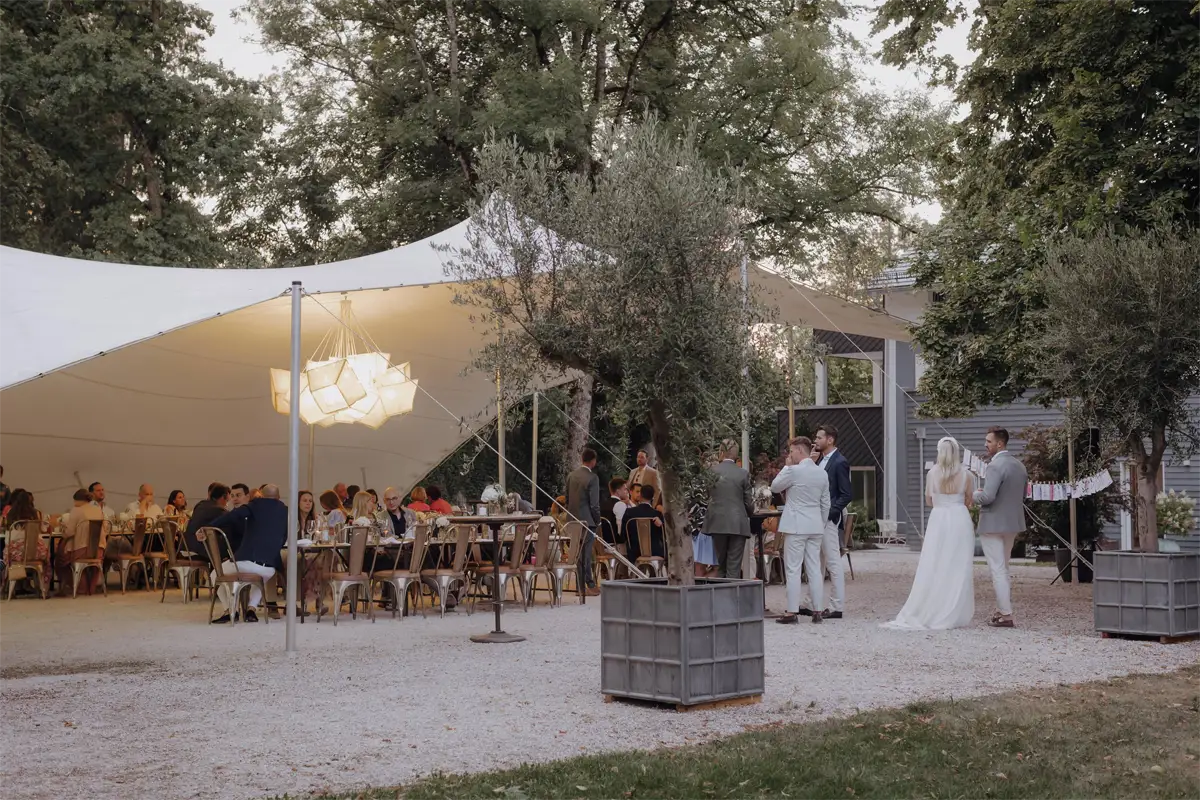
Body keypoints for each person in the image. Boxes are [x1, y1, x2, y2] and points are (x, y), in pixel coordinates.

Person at [884, 437, 977, 630]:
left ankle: (932, 604)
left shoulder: (932, 473)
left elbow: (929, 500)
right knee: (958, 563)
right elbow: (969, 501)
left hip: (939, 518)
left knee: (934, 560)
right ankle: (953, 608)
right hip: (959, 518)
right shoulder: (967, 475)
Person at [207, 484, 289, 624]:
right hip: (269, 568)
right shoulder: (286, 511)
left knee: (215, 574)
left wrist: (209, 526)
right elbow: (284, 537)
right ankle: (251, 609)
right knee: (259, 579)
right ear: (279, 497)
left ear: (261, 495)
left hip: (245, 563)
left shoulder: (254, 505)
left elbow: (232, 516)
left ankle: (231, 610)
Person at [973, 426, 1029, 629]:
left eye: (989, 441)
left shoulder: (995, 466)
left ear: (1000, 443)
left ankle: (1006, 614)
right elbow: (1023, 495)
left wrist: (976, 494)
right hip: (1012, 523)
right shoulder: (1019, 466)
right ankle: (1001, 610)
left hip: (993, 524)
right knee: (1003, 568)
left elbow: (988, 497)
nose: (985, 445)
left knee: (997, 570)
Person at [772, 437, 831, 625]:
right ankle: (817, 610)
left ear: (799, 450)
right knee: (814, 568)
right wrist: (820, 523)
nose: (790, 455)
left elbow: (775, 486)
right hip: (815, 526)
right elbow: (826, 503)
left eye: (791, 451)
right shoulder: (822, 473)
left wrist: (786, 467)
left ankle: (792, 611)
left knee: (793, 568)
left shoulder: (794, 471)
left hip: (796, 525)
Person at [805, 424, 852, 619]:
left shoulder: (840, 462)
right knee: (816, 560)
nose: (815, 441)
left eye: (819, 437)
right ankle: (811, 602)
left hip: (828, 519)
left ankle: (836, 606)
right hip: (816, 517)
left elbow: (846, 494)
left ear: (830, 439)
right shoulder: (819, 461)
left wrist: (830, 513)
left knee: (833, 561)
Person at [703, 439, 755, 580]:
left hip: (717, 522)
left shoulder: (711, 472)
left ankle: (721, 591)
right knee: (734, 565)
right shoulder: (743, 473)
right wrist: (750, 513)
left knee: (721, 564)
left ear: (721, 452)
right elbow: (748, 502)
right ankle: (732, 591)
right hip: (737, 523)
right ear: (736, 455)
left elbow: (707, 495)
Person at [566, 447, 602, 596]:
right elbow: (594, 505)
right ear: (593, 461)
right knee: (586, 554)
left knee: (578, 554)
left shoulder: (571, 476)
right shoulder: (593, 478)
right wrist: (597, 520)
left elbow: (567, 499)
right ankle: (589, 584)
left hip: (572, 521)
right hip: (588, 522)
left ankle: (580, 586)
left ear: (582, 459)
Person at [58, 489, 107, 595]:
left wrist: (63, 532)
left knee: (61, 559)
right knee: (94, 564)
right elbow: (105, 528)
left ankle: (80, 587)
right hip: (98, 550)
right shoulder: (98, 510)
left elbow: (70, 532)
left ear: (77, 500)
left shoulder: (76, 510)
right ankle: (91, 588)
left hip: (81, 550)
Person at [3, 489, 51, 590]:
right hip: (34, 552)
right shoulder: (34, 513)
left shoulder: (11, 513)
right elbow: (42, 529)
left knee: (7, 554)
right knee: (46, 558)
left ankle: (11, 588)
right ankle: (42, 588)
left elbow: (7, 533)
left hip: (15, 553)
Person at [185, 483, 231, 563]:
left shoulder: (200, 505)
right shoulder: (219, 510)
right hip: (202, 551)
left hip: (187, 546)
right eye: (227, 501)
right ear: (222, 498)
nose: (226, 505)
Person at [622, 485, 664, 562]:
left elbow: (623, 533)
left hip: (634, 552)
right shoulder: (657, 514)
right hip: (655, 551)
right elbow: (663, 535)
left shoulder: (629, 512)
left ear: (640, 496)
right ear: (652, 497)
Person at [601, 478, 630, 550]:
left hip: (602, 542)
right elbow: (621, 528)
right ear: (618, 491)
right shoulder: (620, 504)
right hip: (616, 545)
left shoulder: (602, 504)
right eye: (625, 489)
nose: (627, 492)